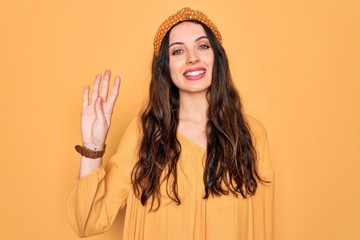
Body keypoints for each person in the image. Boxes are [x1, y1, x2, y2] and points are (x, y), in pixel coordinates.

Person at [68, 7, 274, 240]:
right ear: (165, 67)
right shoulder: (143, 133)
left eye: (202, 46)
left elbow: (261, 226)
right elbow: (87, 222)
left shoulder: (251, 134)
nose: (192, 57)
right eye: (178, 51)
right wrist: (92, 147)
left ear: (217, 57)